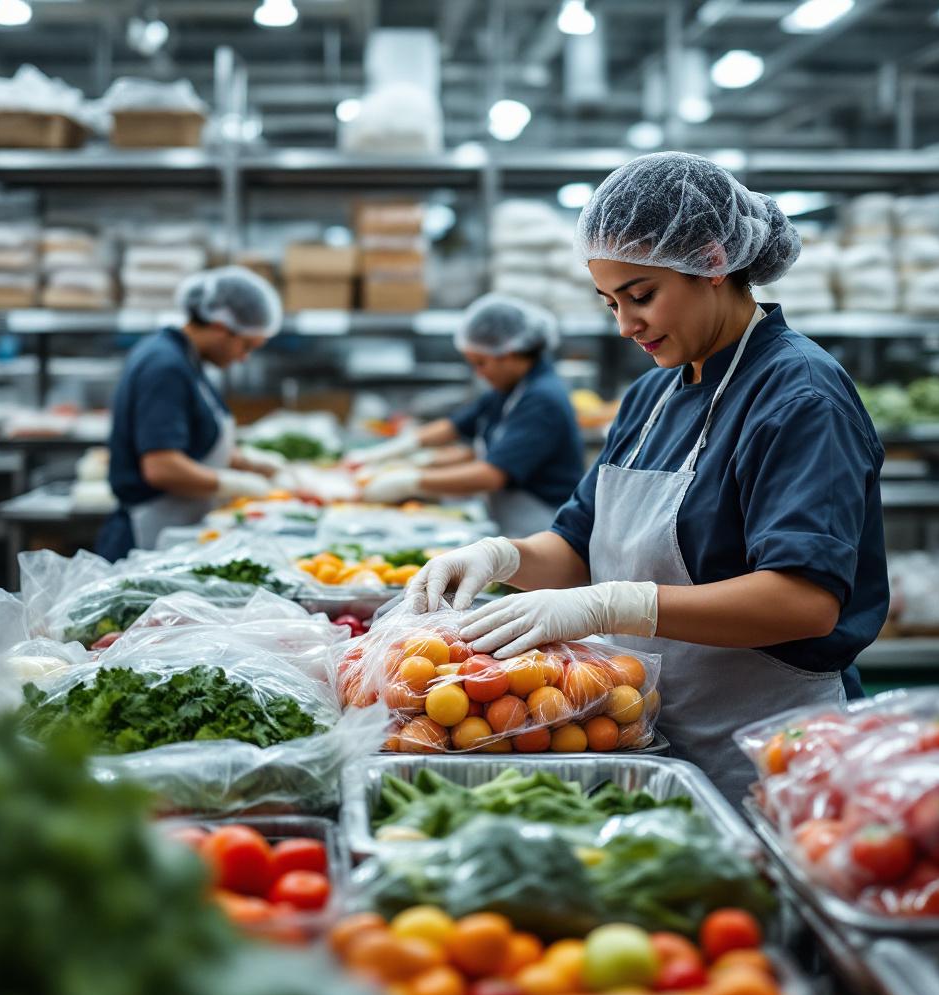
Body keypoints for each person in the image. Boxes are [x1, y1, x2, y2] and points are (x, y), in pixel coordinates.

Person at [407, 152, 889, 803]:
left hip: (771, 748)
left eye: (641, 296)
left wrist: (618, 604)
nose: (625, 325)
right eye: (609, 302)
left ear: (713, 262)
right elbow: (578, 545)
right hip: (647, 737)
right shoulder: (652, 395)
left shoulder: (799, 395)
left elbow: (804, 601)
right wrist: (497, 557)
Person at [349, 294, 585, 536]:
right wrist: (390, 452)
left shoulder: (542, 399)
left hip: (543, 524)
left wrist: (408, 481)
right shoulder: (511, 388)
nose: (478, 373)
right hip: (515, 522)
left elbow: (492, 475)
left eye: (481, 363)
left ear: (511, 353)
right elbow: (454, 426)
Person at [96, 266, 286, 560]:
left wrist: (253, 463)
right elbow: (162, 467)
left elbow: (196, 442)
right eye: (246, 345)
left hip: (172, 530)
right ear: (221, 327)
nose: (244, 357)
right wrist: (234, 484)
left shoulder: (184, 359)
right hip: (147, 540)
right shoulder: (165, 366)